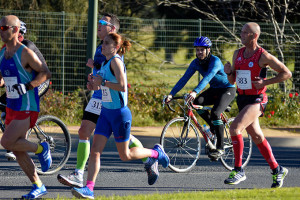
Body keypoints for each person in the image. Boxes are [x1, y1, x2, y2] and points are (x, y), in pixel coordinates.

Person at [57, 13, 158, 188]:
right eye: (98, 22)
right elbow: (99, 75)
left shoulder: (113, 50)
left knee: (121, 145)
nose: (98, 25)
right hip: (98, 97)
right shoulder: (100, 48)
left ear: (112, 29)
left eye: (102, 23)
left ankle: (150, 157)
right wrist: (92, 82)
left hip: (112, 101)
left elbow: (116, 80)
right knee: (84, 131)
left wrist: (97, 74)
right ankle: (79, 175)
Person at [70, 33, 169, 199]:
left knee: (125, 155)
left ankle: (156, 153)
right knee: (95, 151)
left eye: (107, 43)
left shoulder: (116, 61)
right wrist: (92, 84)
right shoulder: (105, 64)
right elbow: (99, 88)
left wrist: (103, 82)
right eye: (103, 42)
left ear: (115, 47)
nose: (103, 45)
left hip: (120, 115)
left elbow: (122, 86)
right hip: (105, 113)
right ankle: (89, 189)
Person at [223, 22, 292, 187]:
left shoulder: (263, 56)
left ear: (254, 36)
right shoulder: (237, 53)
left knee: (234, 128)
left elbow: (286, 73)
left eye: (245, 32)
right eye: (241, 32)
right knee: (257, 136)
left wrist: (265, 82)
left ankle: (238, 169)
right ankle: (277, 170)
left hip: (257, 99)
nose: (241, 35)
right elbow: (232, 81)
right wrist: (229, 73)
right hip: (242, 99)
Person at [0, 15, 52, 199]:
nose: (1, 31)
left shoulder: (25, 53)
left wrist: (28, 86)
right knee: (17, 149)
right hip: (12, 107)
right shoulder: (2, 53)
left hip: (27, 106)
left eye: (4, 28)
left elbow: (45, 72)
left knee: (6, 142)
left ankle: (41, 148)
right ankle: (38, 185)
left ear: (14, 30)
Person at [165, 36, 236, 160]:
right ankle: (213, 127)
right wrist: (171, 94)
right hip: (214, 90)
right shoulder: (196, 63)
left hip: (227, 89)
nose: (199, 52)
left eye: (202, 50)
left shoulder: (215, 61)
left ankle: (220, 148)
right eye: (197, 50)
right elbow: (184, 79)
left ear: (208, 50)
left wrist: (195, 91)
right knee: (196, 103)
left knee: (215, 113)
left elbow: (207, 77)